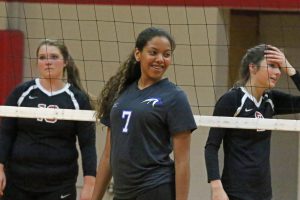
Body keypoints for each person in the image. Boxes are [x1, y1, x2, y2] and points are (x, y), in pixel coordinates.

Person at [91, 27, 197, 200]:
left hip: (155, 188)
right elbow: (108, 155)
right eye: (153, 52)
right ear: (138, 54)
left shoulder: (175, 97)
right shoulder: (120, 94)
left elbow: (182, 161)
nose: (160, 59)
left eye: (167, 54)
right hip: (122, 192)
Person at [0, 39, 97, 200]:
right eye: (42, 57)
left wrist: (89, 184)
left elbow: (87, 145)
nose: (48, 62)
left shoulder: (77, 99)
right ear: (37, 62)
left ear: (65, 61)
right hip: (18, 182)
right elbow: (5, 134)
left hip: (59, 185)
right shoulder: (21, 93)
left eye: (53, 57)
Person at [205, 44, 300, 200]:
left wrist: (290, 68)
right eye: (272, 66)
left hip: (263, 194)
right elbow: (211, 146)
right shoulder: (232, 100)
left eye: (279, 67)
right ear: (253, 68)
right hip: (234, 193)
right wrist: (216, 187)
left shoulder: (270, 100)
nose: (278, 72)